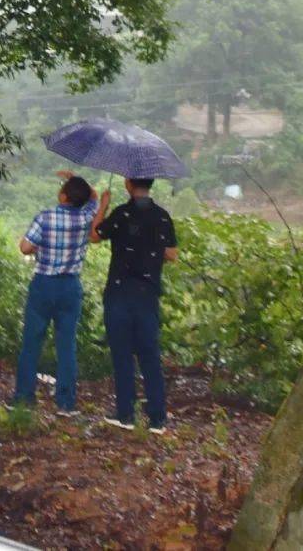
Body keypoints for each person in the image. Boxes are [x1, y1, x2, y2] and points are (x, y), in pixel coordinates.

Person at [90, 176, 178, 433]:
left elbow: (94, 236)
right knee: (150, 354)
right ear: (149, 185)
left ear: (128, 184)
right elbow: (172, 254)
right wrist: (150, 246)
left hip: (119, 293)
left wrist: (103, 205)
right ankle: (157, 419)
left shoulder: (121, 214)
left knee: (122, 354)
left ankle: (126, 414)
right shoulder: (162, 217)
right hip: (147, 295)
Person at [13, 170, 99, 414]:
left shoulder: (46, 217)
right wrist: (79, 181)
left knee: (31, 343)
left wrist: (39, 248)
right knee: (67, 345)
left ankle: (24, 398)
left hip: (43, 285)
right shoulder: (85, 218)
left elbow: (25, 247)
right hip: (70, 287)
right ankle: (66, 403)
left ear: (63, 196)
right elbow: (92, 198)